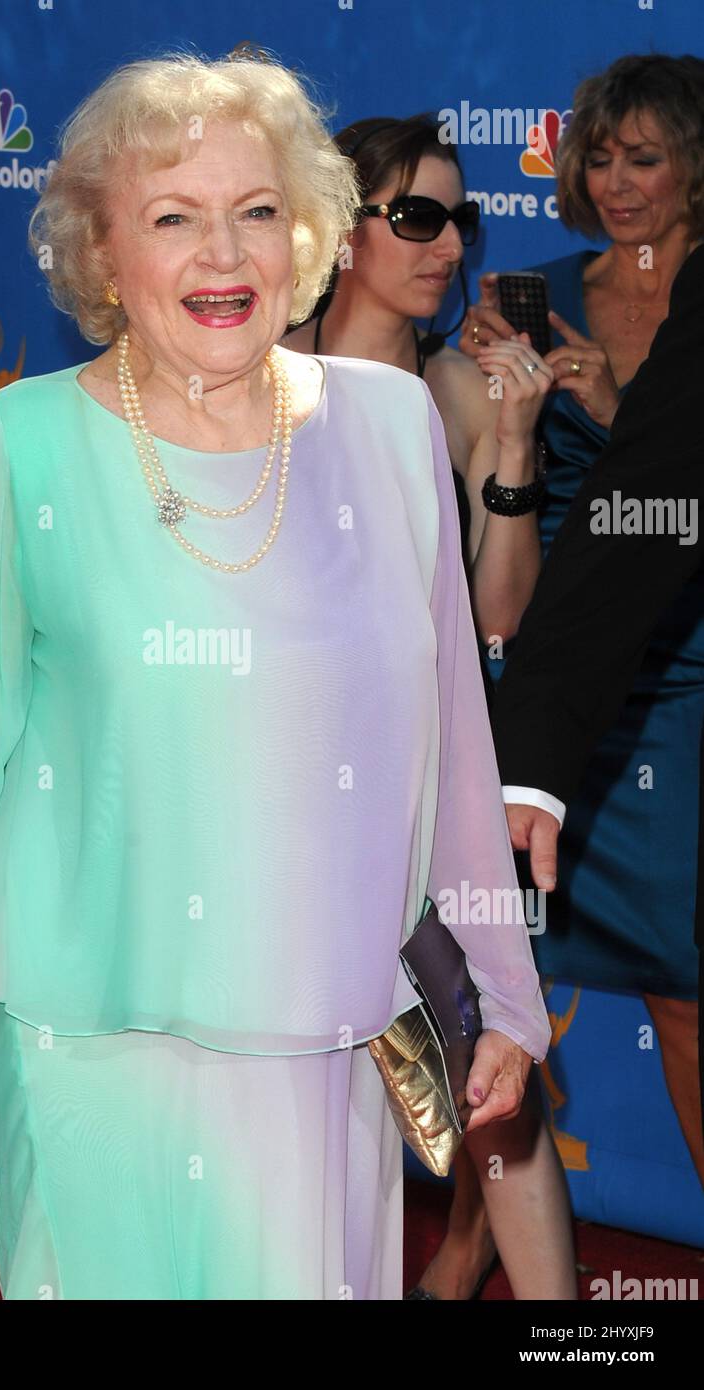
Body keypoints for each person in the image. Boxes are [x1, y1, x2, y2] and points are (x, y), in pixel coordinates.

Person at [0, 50, 550, 1300]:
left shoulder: (389, 430)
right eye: (172, 218)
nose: (222, 255)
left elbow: (454, 743)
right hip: (89, 1047)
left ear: (308, 236)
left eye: (257, 211)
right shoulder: (18, 448)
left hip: (323, 1045)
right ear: (104, 255)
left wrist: (506, 989)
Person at [286, 115, 575, 1302]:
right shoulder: (261, 375)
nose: (449, 244)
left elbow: (498, 626)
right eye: (415, 216)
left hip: (426, 791)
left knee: (494, 1073)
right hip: (286, 797)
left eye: (462, 219)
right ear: (336, 231)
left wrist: (510, 454)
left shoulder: (455, 390)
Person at [464, 53, 704, 1182]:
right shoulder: (545, 289)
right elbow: (486, 486)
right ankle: (469, 1244)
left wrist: (612, 410)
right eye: (599, 156)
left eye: (644, 157)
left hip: (686, 682)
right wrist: (495, 398)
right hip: (562, 674)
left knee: (688, 983)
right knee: (496, 979)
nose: (617, 182)